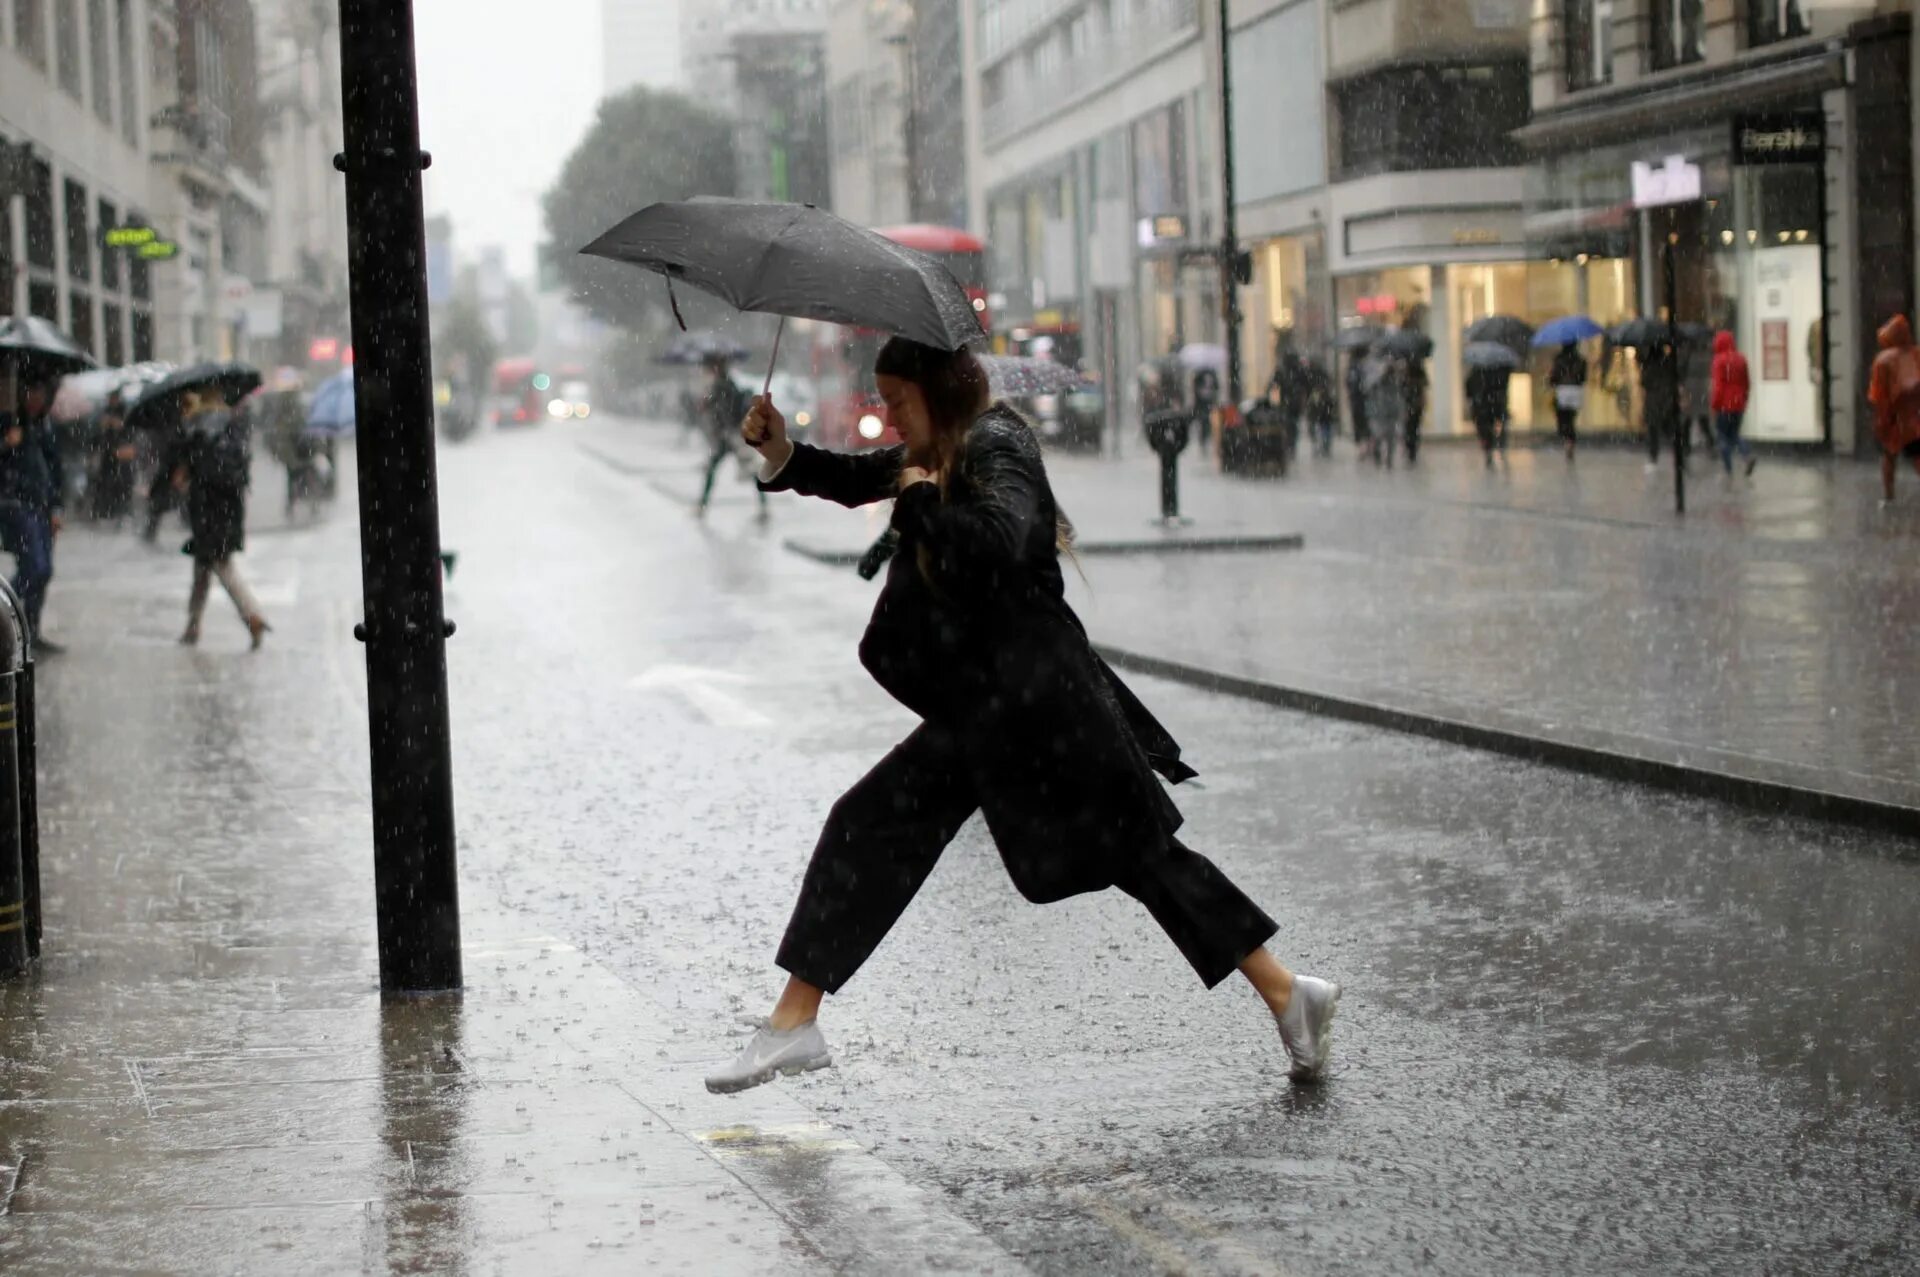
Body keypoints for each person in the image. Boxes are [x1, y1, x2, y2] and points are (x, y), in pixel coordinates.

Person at [703, 337, 1342, 1095]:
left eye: (899, 399)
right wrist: (782, 451)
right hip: (997, 704)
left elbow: (1002, 538)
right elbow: (852, 477)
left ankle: (1286, 992)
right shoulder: (940, 446)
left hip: (1042, 706)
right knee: (883, 824)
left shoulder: (997, 443)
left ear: (937, 393)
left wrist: (916, 500)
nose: (890, 414)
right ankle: (794, 1018)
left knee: (1140, 860)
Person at [170, 388, 269, 649]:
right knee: (202, 570)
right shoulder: (232, 428)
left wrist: (184, 475)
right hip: (230, 511)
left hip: (206, 513)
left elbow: (182, 475)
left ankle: (252, 615)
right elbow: (241, 472)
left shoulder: (198, 433)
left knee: (222, 567)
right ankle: (192, 625)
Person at [0, 376, 66, 652]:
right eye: (32, 392)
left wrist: (56, 507)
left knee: (44, 570)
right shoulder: (8, 422)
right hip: (15, 505)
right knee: (33, 567)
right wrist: (6, 444)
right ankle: (4, 612)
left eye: (42, 393)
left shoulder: (44, 427)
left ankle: (31, 630)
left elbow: (54, 469)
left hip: (40, 507)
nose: (37, 399)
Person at [695, 356, 765, 519]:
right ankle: (763, 508)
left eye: (707, 367)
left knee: (715, 470)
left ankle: (702, 506)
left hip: (730, 436)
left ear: (714, 368)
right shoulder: (727, 383)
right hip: (732, 436)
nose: (705, 371)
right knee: (747, 470)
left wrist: (707, 405)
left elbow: (723, 410)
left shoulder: (721, 385)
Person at [1866, 314, 1920, 504]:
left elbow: (1878, 394)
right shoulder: (1916, 354)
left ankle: (1889, 496)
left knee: (1890, 455)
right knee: (1915, 454)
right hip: (1913, 417)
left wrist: (1880, 418)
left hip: (1894, 416)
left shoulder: (1883, 360)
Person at [1709, 331, 1755, 479]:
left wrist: (1715, 405)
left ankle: (1728, 469)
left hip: (1724, 404)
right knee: (1734, 434)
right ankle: (1747, 454)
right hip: (1738, 404)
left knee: (1723, 436)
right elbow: (1747, 383)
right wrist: (1744, 399)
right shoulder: (1741, 359)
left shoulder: (1719, 361)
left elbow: (1719, 386)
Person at [92, 391, 140, 523]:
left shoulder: (125, 411)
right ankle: (107, 513)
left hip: (123, 453)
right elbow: (99, 435)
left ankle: (123, 512)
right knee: (106, 484)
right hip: (109, 454)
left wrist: (120, 426)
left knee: (123, 484)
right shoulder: (106, 411)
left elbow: (131, 431)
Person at [1640, 335, 1682, 471]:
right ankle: (1679, 455)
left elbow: (1644, 382)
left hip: (1653, 401)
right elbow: (1675, 377)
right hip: (1667, 399)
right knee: (1669, 429)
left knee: (1653, 431)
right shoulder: (1669, 361)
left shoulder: (1649, 364)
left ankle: (1653, 458)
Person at [1363, 350, 1406, 468]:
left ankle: (1389, 459)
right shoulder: (1377, 379)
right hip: (1380, 412)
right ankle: (1378, 453)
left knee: (1391, 436)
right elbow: (1368, 389)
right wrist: (1381, 375)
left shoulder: (1397, 380)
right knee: (1378, 434)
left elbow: (1400, 394)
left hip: (1391, 412)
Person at [1464, 363, 1509, 468]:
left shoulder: (1474, 374)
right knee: (1492, 426)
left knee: (1484, 429)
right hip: (1491, 406)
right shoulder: (1495, 374)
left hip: (1481, 407)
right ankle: (1495, 444)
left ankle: (1489, 447)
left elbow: (1468, 391)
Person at [1548, 342, 1587, 460]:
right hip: (1575, 390)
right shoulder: (1580, 360)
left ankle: (1567, 439)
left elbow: (1554, 377)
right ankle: (1570, 440)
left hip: (1563, 390)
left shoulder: (1559, 359)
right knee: (1571, 417)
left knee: (1563, 417)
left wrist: (1552, 381)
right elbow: (1583, 378)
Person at [1401, 354, 1429, 465]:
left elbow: (1402, 389)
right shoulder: (1420, 373)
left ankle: (1410, 447)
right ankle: (1412, 448)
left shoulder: (1406, 375)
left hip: (1410, 405)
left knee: (1410, 427)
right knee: (1414, 426)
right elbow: (1425, 385)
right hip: (1416, 405)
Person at [1344, 352, 1371, 456]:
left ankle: (1362, 446)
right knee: (1363, 424)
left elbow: (1348, 384)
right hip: (1362, 402)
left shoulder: (1353, 369)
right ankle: (1364, 445)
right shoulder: (1362, 369)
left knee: (1359, 424)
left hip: (1358, 402)